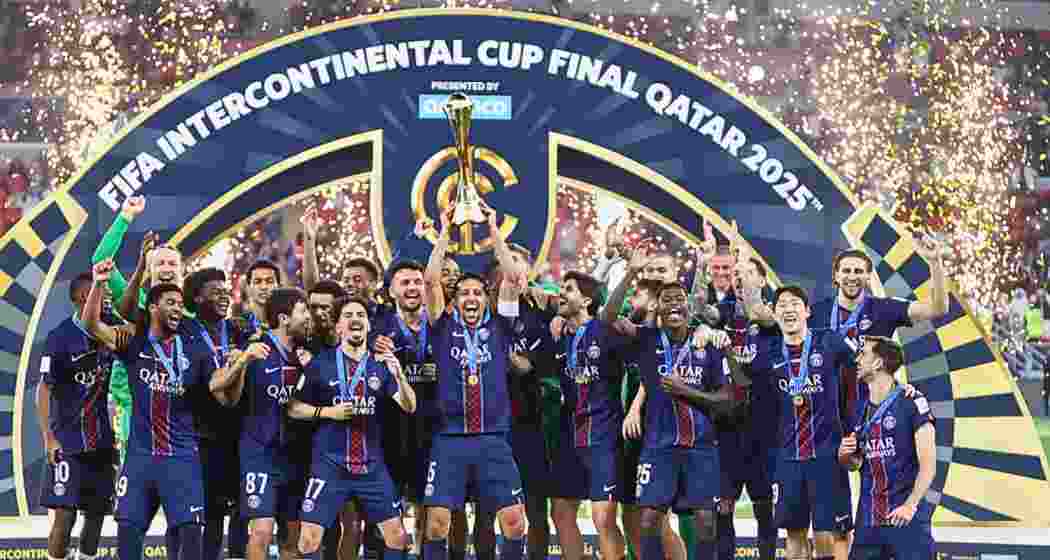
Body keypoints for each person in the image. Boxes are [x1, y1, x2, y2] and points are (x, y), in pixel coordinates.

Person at [81, 259, 242, 560]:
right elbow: (92, 326)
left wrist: (240, 364)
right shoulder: (134, 343)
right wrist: (99, 283)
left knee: (190, 537)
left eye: (181, 304)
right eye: (171, 303)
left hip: (182, 458)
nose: (178, 309)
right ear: (153, 307)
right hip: (140, 458)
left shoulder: (194, 348)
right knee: (128, 536)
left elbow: (219, 388)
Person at [419, 205, 528, 560]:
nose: (470, 297)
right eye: (463, 292)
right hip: (449, 440)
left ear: (486, 299)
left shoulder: (501, 326)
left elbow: (513, 279)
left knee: (514, 522)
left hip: (493, 439)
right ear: (455, 300)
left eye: (477, 293)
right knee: (436, 524)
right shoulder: (441, 328)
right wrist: (446, 229)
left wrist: (494, 229)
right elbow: (430, 280)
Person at [291, 297, 417, 559]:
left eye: (360, 314)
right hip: (330, 464)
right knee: (308, 540)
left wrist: (399, 376)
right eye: (348, 315)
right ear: (338, 327)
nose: (355, 319)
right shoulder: (320, 364)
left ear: (369, 325)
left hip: (371, 466)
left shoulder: (380, 366)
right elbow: (293, 408)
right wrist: (327, 412)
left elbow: (409, 406)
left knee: (398, 537)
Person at [750, 286, 856, 560]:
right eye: (781, 304)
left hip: (826, 457)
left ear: (807, 311)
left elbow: (860, 376)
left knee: (827, 534)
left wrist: (854, 430)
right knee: (794, 534)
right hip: (787, 460)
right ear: (774, 313)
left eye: (795, 303)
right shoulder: (768, 353)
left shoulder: (830, 342)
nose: (788, 309)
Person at [221, 288, 313, 560]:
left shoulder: (304, 355)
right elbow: (228, 397)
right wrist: (240, 362)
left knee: (291, 536)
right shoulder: (255, 350)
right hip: (259, 454)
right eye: (303, 311)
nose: (309, 317)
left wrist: (312, 371)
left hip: (295, 457)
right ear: (284, 318)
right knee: (261, 531)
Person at [549, 268, 628, 560]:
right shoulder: (559, 335)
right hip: (570, 434)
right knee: (560, 510)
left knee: (603, 517)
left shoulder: (605, 330)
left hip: (604, 435)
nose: (561, 293)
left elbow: (612, 308)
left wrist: (630, 270)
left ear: (585, 300)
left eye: (568, 289)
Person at [36, 272, 115, 560]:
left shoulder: (110, 332)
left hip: (102, 443)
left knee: (96, 515)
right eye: (104, 295)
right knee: (65, 516)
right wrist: (49, 438)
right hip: (67, 443)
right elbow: (44, 389)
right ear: (85, 297)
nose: (109, 301)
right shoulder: (59, 337)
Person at [838, 336, 936, 560]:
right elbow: (856, 463)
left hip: (905, 519)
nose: (857, 359)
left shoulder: (913, 402)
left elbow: (928, 465)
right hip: (869, 522)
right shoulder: (859, 409)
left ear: (878, 363)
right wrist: (844, 455)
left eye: (863, 354)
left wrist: (910, 506)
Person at [373, 260, 440, 560]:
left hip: (434, 429)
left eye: (417, 282)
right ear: (391, 291)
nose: (413, 288)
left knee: (431, 506)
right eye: (405, 283)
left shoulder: (441, 323)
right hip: (390, 430)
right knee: (388, 510)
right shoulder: (377, 328)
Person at [183, 267, 249, 560]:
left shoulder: (238, 329)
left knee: (240, 509)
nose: (224, 296)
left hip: (239, 434)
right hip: (200, 436)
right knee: (209, 514)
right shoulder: (184, 331)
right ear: (197, 298)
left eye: (226, 291)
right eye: (215, 292)